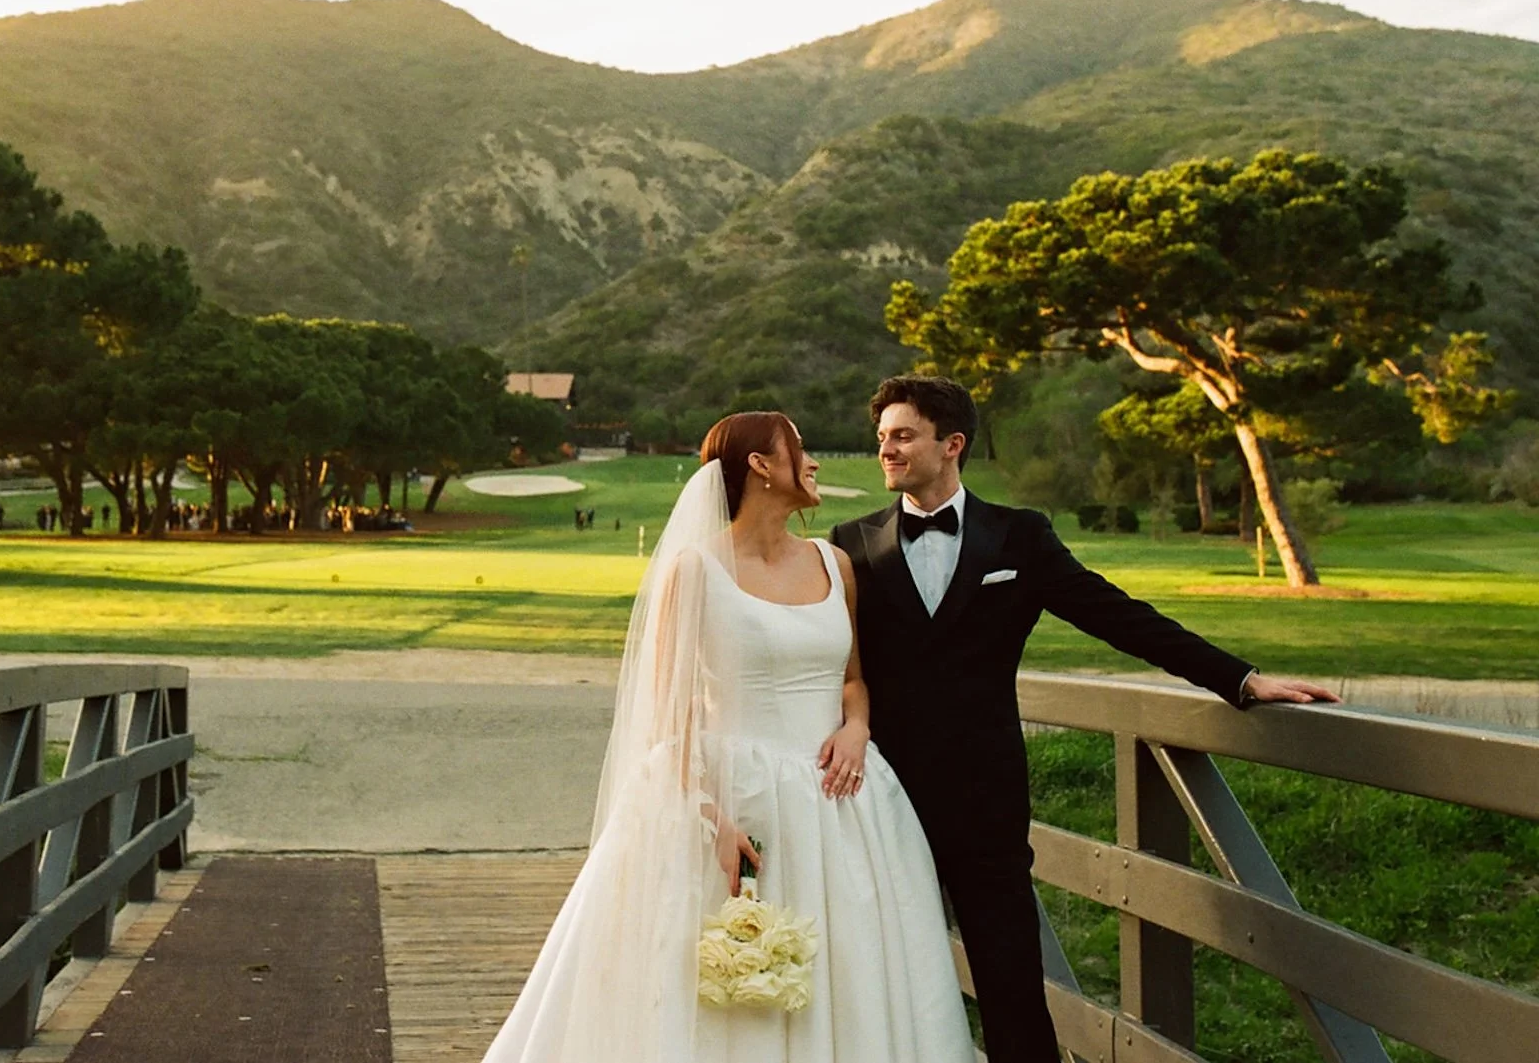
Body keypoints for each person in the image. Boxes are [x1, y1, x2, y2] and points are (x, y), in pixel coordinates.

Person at [829, 375, 1339, 1062]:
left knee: (1012, 993)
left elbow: (1120, 616)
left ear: (951, 444)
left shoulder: (1019, 537)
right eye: (883, 435)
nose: (885, 449)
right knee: (883, 987)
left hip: (986, 804)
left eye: (902, 435)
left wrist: (1241, 679)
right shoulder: (849, 543)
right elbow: (826, 667)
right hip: (880, 805)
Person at [485, 412, 972, 1062]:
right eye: (798, 450)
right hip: (735, 801)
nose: (815, 463)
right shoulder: (695, 570)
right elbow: (668, 714)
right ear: (760, 466)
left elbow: (852, 678)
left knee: (852, 977)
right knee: (728, 997)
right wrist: (709, 818)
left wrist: (857, 726)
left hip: (840, 802)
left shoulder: (836, 563)